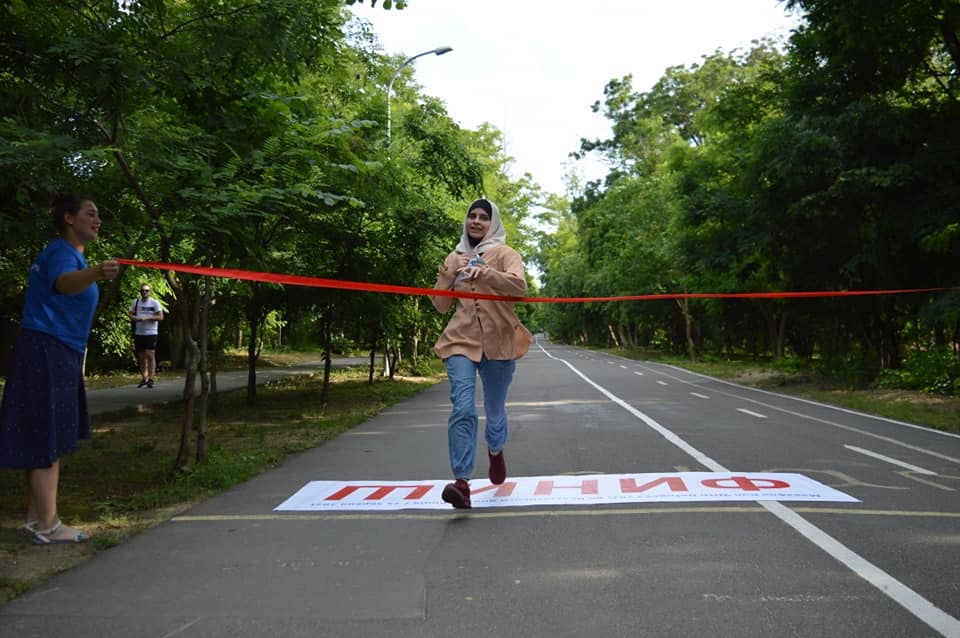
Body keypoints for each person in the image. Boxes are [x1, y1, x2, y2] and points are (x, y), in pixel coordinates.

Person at [0, 192, 119, 544]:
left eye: (98, 215)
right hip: (46, 349)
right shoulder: (61, 253)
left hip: (56, 349)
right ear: (69, 218)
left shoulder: (71, 256)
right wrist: (97, 272)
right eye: (90, 213)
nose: (97, 220)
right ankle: (50, 525)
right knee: (45, 433)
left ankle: (35, 517)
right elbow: (63, 284)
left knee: (43, 430)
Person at [431, 198, 533, 509]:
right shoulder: (455, 256)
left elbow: (519, 287)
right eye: (472, 216)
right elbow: (441, 306)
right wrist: (449, 274)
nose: (476, 221)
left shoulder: (506, 254)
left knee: (495, 411)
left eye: (483, 217)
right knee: (462, 407)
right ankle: (462, 482)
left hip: (500, 342)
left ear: (493, 223)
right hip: (460, 340)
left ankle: (495, 449)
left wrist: (485, 273)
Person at [129, 282, 164, 388]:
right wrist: (135, 318)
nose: (144, 292)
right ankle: (145, 378)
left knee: (150, 354)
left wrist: (147, 318)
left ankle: (151, 378)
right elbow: (130, 314)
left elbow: (160, 317)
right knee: (141, 356)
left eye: (146, 290)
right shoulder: (136, 302)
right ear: (140, 292)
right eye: (143, 290)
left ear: (150, 292)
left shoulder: (154, 303)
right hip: (139, 332)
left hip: (151, 332)